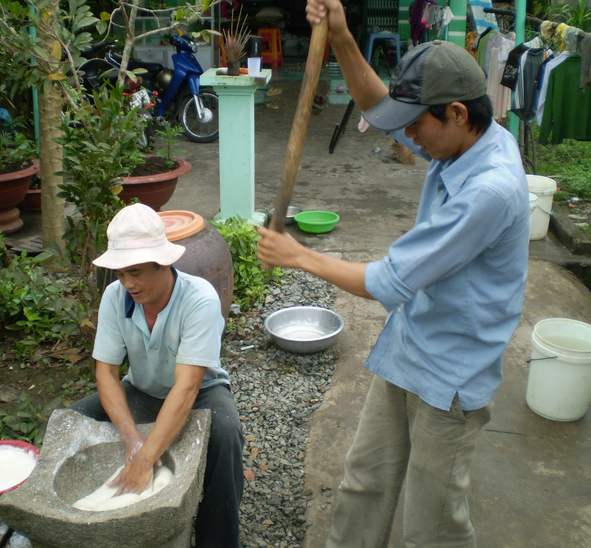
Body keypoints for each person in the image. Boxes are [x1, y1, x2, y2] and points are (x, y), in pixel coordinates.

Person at [257, 1, 529, 546]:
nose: (406, 139)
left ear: (455, 112)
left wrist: (299, 255)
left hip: (451, 374)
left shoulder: (490, 190)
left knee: (433, 523)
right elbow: (378, 101)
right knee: (364, 485)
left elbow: (387, 281)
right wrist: (340, 36)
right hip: (411, 344)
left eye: (416, 126)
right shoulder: (466, 139)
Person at [70, 203, 244, 547]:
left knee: (226, 432)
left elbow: (188, 385)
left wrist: (146, 458)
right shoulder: (114, 297)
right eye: (121, 274)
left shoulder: (200, 300)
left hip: (202, 393)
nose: (128, 283)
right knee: (71, 420)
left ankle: (219, 536)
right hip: (141, 391)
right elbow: (106, 372)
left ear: (163, 262)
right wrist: (133, 439)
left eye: (135, 272)